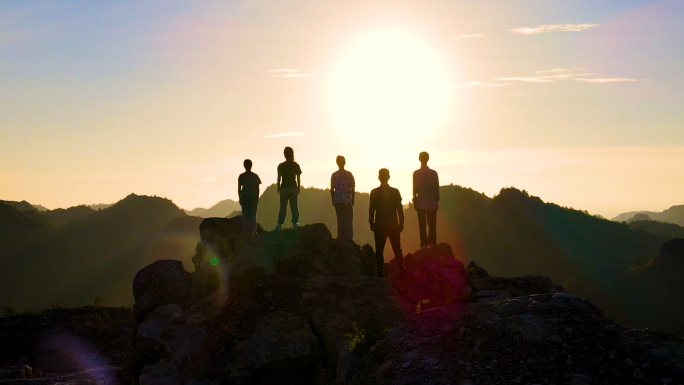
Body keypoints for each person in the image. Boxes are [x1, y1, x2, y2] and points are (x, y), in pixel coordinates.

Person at [369, 168, 406, 277]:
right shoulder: (395, 191)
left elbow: (372, 209)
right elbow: (399, 208)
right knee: (397, 248)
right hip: (393, 224)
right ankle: (401, 269)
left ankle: (380, 271)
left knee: (379, 250)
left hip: (379, 225)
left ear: (379, 178)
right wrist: (401, 222)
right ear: (388, 177)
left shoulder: (374, 192)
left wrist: (371, 222)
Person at [413, 151, 439, 248]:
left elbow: (415, 189)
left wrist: (415, 201)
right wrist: (436, 201)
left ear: (419, 159)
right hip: (432, 202)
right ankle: (432, 243)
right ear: (428, 159)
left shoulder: (416, 173)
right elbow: (436, 189)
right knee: (432, 225)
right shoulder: (434, 173)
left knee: (422, 225)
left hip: (420, 202)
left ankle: (424, 244)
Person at [276, 146, 302, 231]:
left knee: (283, 207)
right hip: (293, 188)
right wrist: (298, 187)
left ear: (284, 155)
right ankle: (295, 224)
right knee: (294, 206)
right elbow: (298, 178)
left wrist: (278, 187)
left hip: (284, 188)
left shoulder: (281, 166)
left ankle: (279, 224)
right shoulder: (296, 165)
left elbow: (279, 178)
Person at [330, 155, 355, 241]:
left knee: (339, 219)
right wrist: (353, 199)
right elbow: (352, 188)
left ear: (337, 163)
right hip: (347, 199)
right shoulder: (349, 174)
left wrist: (332, 199)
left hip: (337, 200)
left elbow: (332, 189)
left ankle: (340, 237)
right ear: (344, 162)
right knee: (347, 219)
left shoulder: (334, 175)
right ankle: (348, 238)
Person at [238, 159, 262, 237]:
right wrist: (257, 197)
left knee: (245, 214)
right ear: (251, 165)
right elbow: (257, 188)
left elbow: (239, 188)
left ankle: (245, 231)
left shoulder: (241, 176)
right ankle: (253, 230)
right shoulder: (255, 176)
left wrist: (240, 197)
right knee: (252, 213)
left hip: (244, 196)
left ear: (244, 166)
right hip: (253, 196)